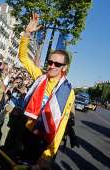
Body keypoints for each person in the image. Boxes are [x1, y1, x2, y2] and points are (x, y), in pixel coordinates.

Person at [18, 13, 75, 169]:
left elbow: (62, 124)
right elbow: (23, 57)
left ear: (64, 68)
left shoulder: (67, 92)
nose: (52, 66)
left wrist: (47, 155)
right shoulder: (40, 77)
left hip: (43, 141)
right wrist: (27, 33)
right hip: (27, 132)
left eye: (57, 64)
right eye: (50, 62)